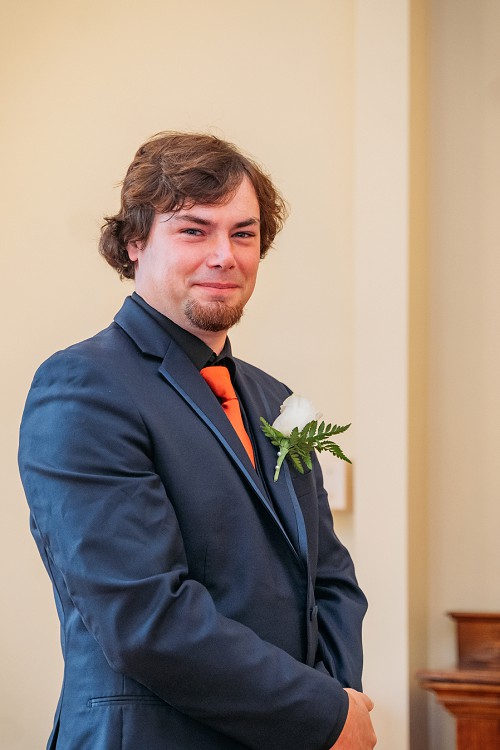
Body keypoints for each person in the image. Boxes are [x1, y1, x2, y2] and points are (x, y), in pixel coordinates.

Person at [18, 132, 376, 750]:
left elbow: (331, 579)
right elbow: (144, 617)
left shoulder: (275, 400)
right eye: (193, 230)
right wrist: (319, 714)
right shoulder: (84, 386)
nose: (225, 255)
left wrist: (338, 699)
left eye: (244, 234)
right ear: (134, 243)